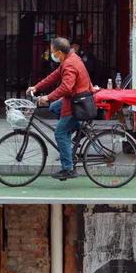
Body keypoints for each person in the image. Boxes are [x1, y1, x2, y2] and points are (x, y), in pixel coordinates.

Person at [27, 37, 92, 181]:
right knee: (53, 108)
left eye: (53, 52)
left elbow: (66, 87)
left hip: (76, 103)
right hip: (75, 97)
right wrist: (36, 87)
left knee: (60, 133)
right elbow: (53, 76)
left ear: (60, 52)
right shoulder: (70, 58)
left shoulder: (69, 64)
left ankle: (68, 169)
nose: (52, 55)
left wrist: (48, 97)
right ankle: (77, 129)